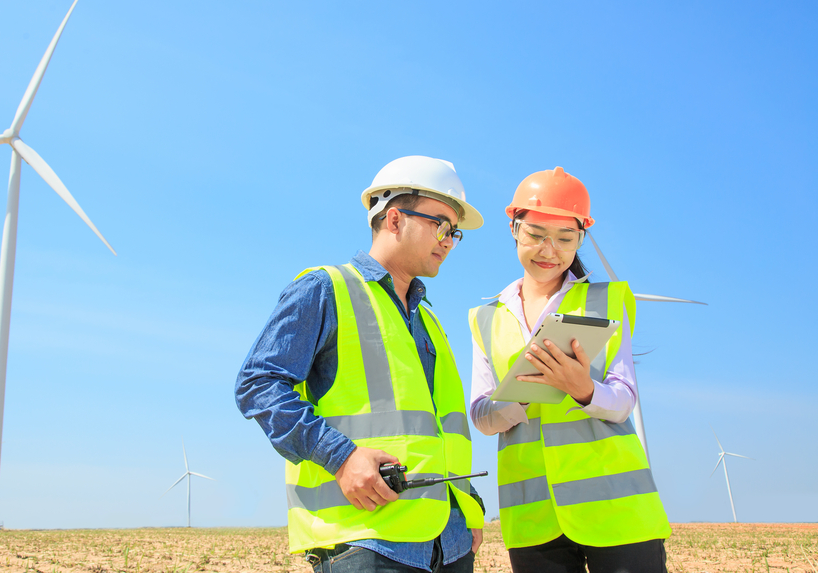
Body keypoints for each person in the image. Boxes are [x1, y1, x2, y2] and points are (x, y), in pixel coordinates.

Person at [235, 156, 486, 573]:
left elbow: (441, 434)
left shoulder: (430, 322)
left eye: (454, 232)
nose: (448, 240)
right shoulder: (325, 289)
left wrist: (467, 508)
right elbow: (259, 384)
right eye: (440, 225)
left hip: (451, 544)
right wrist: (342, 457)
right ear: (393, 219)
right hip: (368, 543)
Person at [467, 167, 671, 573]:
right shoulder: (485, 316)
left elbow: (624, 399)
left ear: (581, 238)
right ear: (513, 228)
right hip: (533, 518)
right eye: (536, 234)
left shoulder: (607, 300)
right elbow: (480, 416)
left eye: (565, 239)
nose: (550, 250)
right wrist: (515, 399)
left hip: (616, 510)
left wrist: (585, 391)